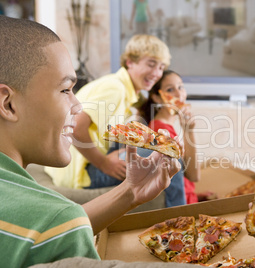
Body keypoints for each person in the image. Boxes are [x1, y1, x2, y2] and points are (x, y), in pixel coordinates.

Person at [0, 15, 181, 267]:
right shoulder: (52, 220)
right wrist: (106, 165)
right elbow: (58, 226)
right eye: (65, 90)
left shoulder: (54, 223)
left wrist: (130, 192)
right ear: (7, 103)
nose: (77, 104)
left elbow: (58, 229)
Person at [45, 34, 171, 189]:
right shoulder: (115, 88)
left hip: (81, 162)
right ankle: (183, 208)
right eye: (151, 64)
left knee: (154, 144)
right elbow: (76, 127)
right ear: (130, 62)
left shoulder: (127, 91)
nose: (157, 73)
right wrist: (104, 164)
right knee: (166, 157)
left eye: (161, 67)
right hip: (77, 172)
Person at [140, 70, 201, 206]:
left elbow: (183, 176)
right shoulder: (161, 131)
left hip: (190, 197)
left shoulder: (165, 125)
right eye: (170, 90)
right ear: (157, 98)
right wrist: (189, 131)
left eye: (180, 87)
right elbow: (194, 175)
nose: (179, 94)